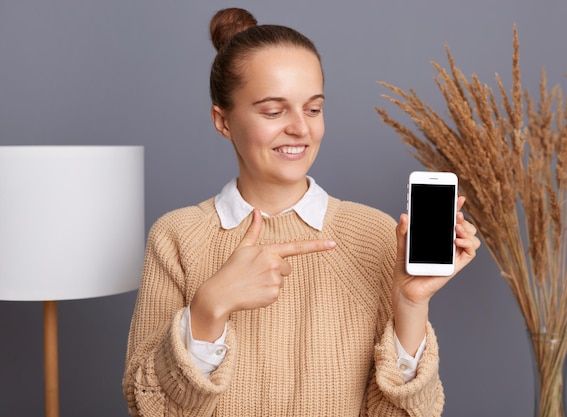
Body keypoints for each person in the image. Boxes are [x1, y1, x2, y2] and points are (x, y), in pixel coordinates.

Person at [122, 7, 480, 417]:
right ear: (223, 121)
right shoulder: (177, 237)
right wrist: (207, 310)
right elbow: (148, 407)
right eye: (274, 111)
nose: (300, 128)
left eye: (312, 109)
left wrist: (411, 305)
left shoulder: (375, 235)